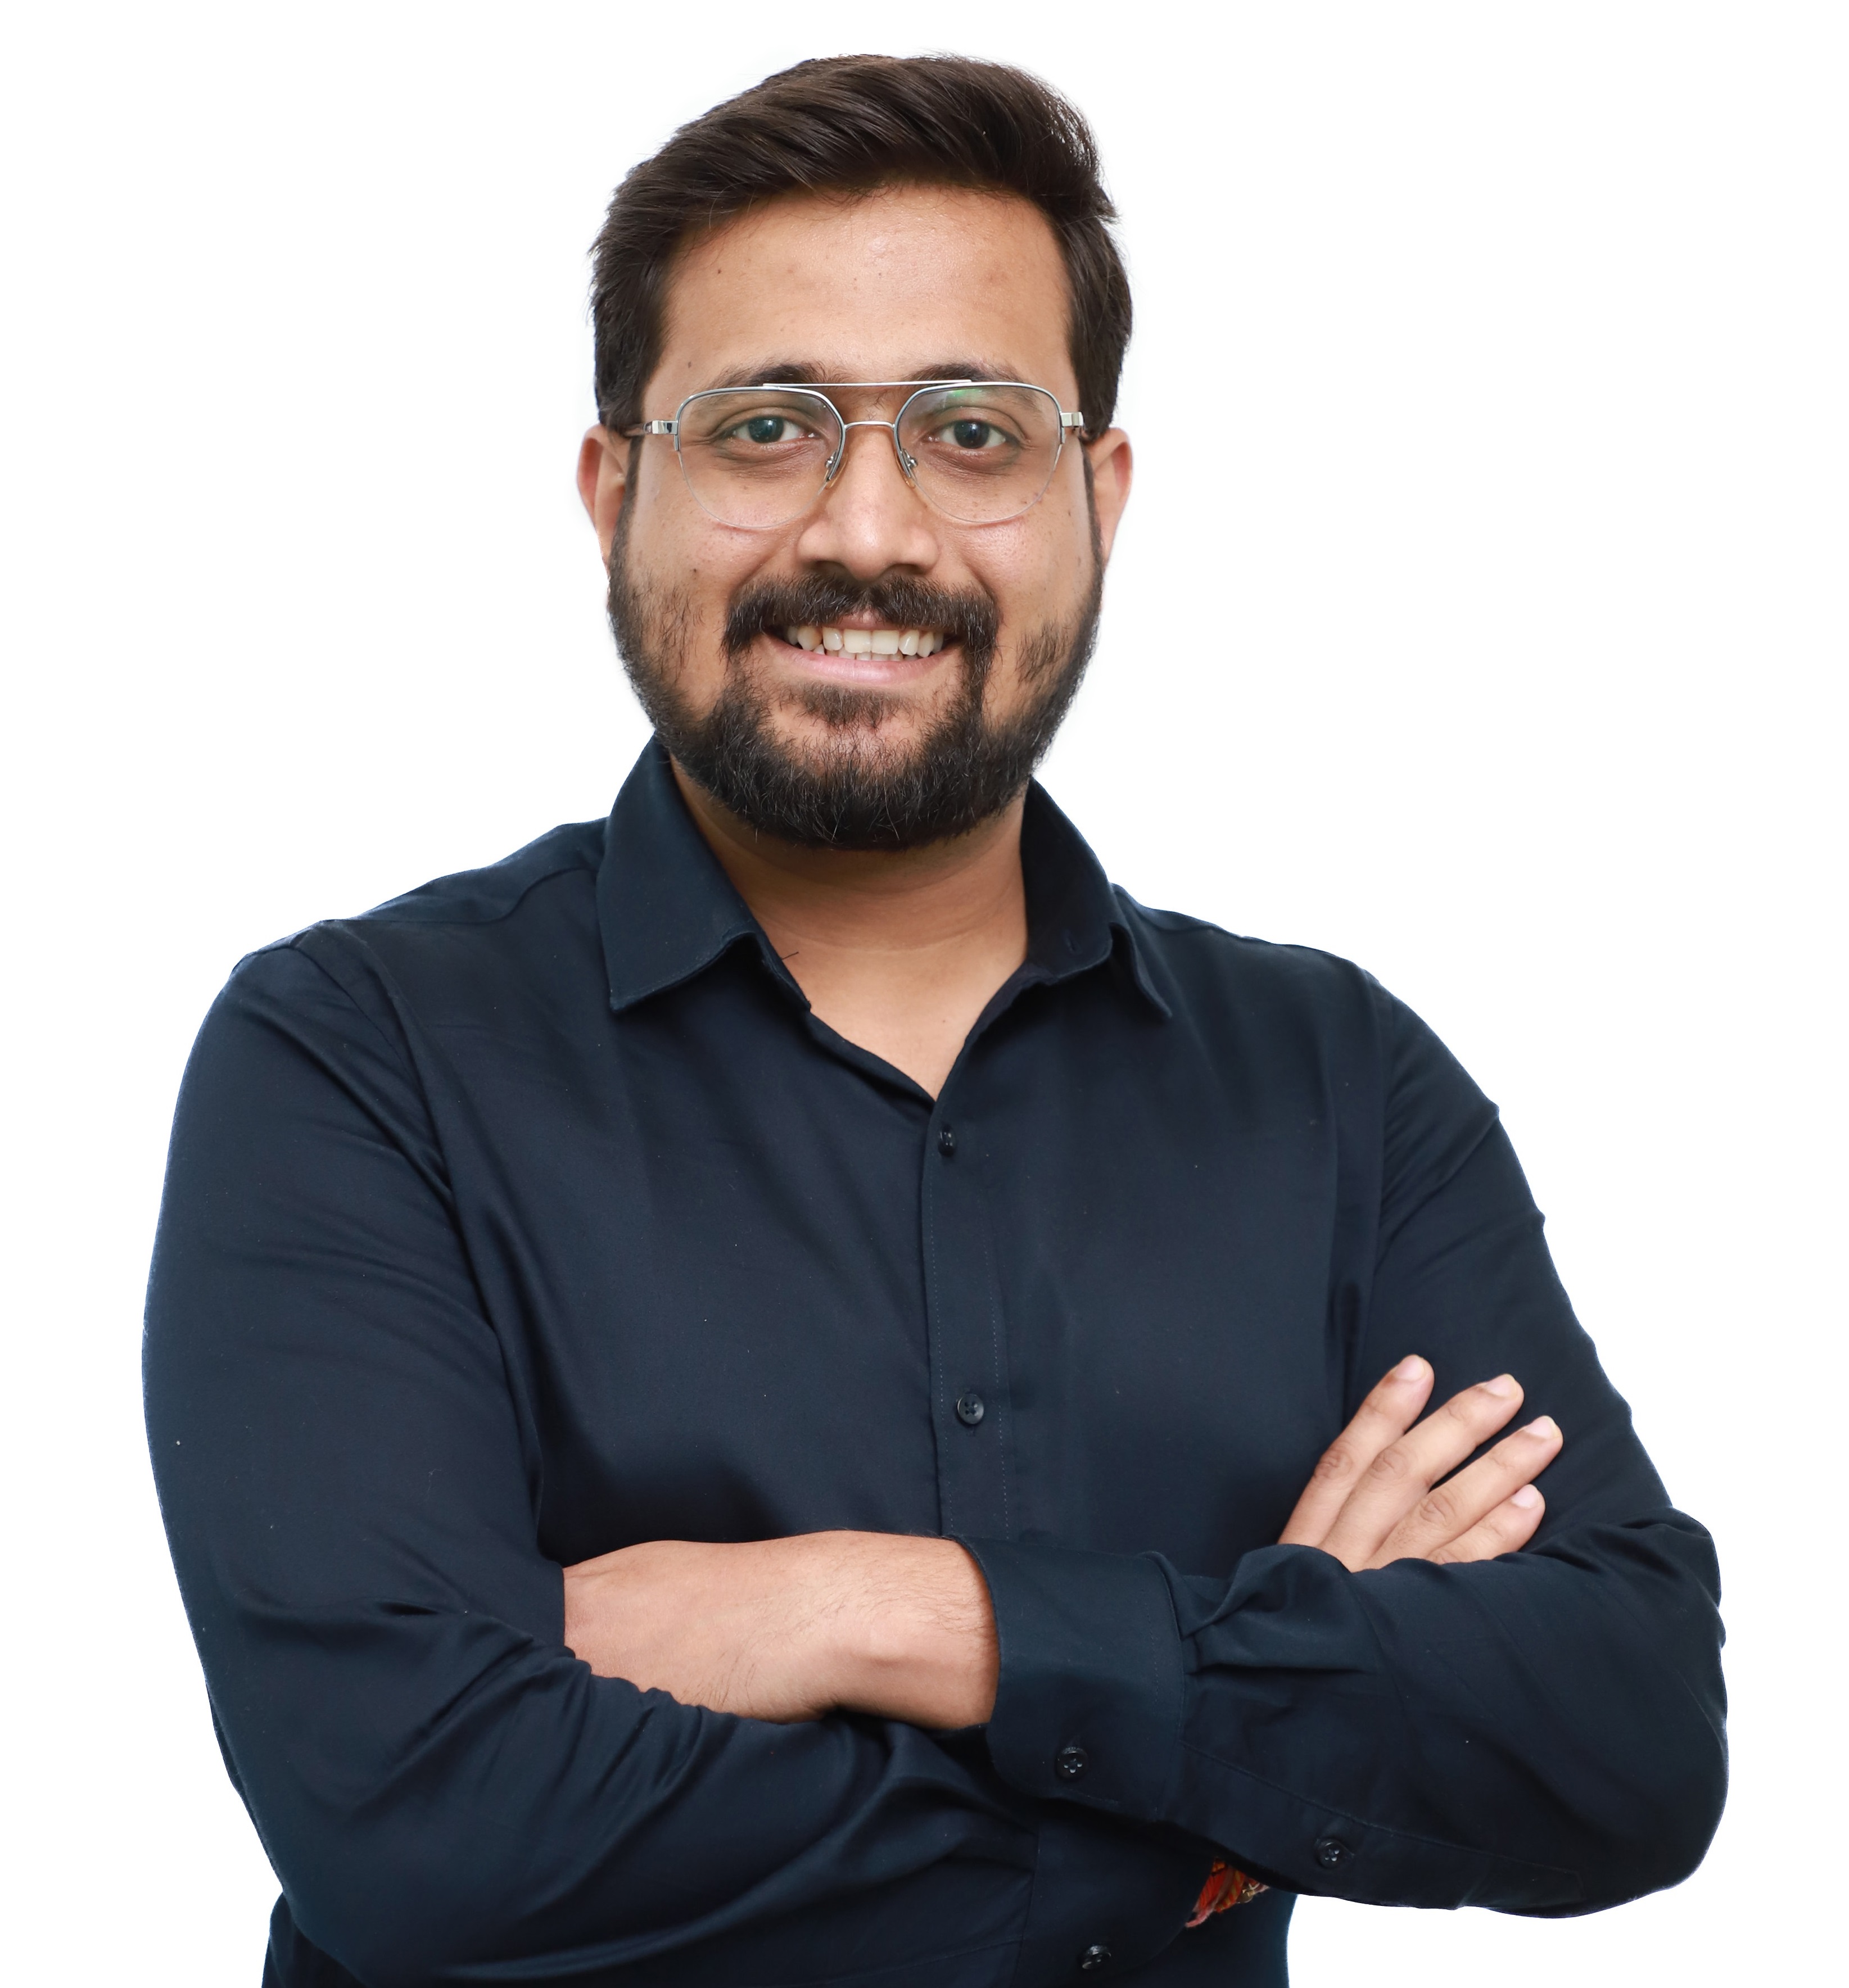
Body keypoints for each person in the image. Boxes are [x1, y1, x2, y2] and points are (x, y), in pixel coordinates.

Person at [144, 53, 1726, 1988]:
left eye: (972, 431)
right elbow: (424, 1826)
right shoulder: (353, 1059)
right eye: (765, 427)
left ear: (1096, 499)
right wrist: (1234, 1762)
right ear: (615, 491)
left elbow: (1626, 1737)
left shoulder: (1340, 1086)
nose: (869, 531)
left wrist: (884, 1612)